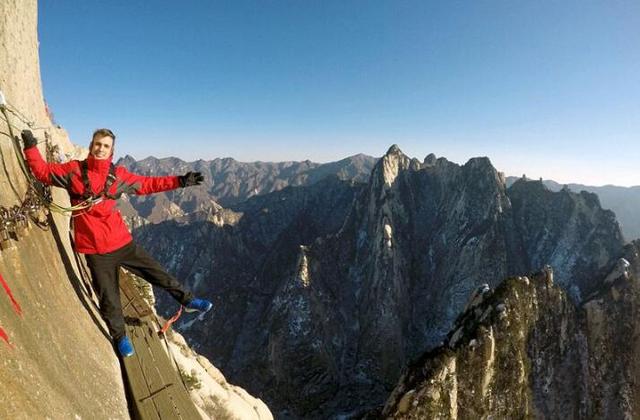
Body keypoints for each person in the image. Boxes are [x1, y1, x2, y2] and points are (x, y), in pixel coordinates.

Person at [21, 128, 212, 358]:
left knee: (158, 273)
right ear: (92, 145)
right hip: (95, 251)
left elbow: (148, 184)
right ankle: (120, 337)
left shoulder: (118, 176)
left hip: (121, 243)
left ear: (112, 151)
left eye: (106, 146)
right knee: (109, 297)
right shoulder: (73, 171)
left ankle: (188, 301)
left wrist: (180, 181)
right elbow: (42, 172)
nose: (101, 148)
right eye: (98, 144)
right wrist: (30, 146)